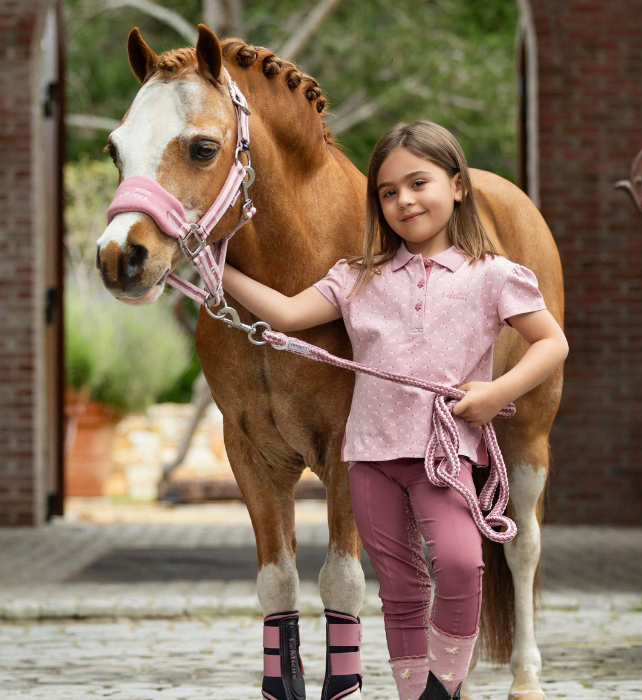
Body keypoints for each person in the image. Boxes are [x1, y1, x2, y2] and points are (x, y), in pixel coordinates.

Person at [221, 120, 569, 700]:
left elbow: (552, 343)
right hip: (370, 460)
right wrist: (215, 270)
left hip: (443, 454)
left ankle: (444, 684)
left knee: (461, 566)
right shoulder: (357, 277)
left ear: (458, 186)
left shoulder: (494, 275)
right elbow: (283, 314)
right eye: (387, 192)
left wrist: (496, 392)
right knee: (402, 589)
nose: (403, 200)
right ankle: (419, 695)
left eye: (418, 183)